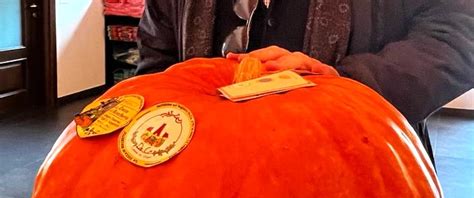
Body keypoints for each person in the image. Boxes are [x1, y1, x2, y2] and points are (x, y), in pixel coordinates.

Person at [136, 0, 474, 159]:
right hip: (201, 192)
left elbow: (457, 35)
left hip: (356, 181)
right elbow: (156, 66)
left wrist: (347, 82)